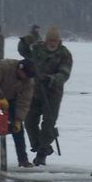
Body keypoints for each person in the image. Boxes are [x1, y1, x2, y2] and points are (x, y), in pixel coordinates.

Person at [24, 26, 73, 166]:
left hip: (53, 94)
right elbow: (24, 51)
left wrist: (50, 79)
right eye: (50, 40)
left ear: (59, 41)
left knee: (48, 123)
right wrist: (25, 41)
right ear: (46, 40)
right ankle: (40, 146)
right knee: (29, 120)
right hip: (35, 91)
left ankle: (42, 153)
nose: (53, 43)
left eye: (55, 41)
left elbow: (64, 74)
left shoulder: (65, 54)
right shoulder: (38, 49)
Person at [0, 58, 36, 168]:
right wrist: (0, 97)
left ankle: (23, 160)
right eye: (25, 75)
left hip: (11, 99)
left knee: (17, 129)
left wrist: (19, 119)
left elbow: (24, 101)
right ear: (20, 69)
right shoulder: (5, 66)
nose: (25, 78)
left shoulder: (29, 81)